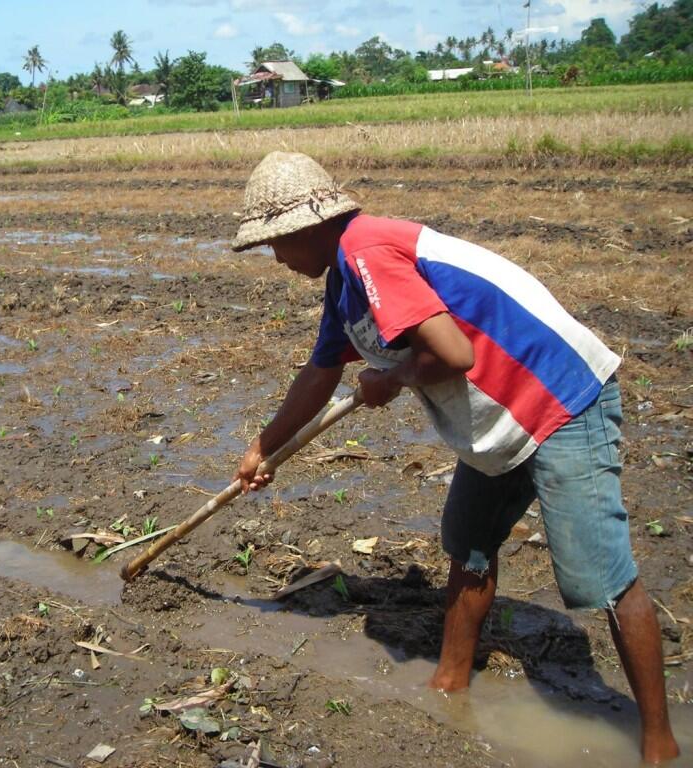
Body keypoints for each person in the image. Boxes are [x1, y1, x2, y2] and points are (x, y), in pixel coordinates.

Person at [230, 151, 679, 764]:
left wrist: (395, 377)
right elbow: (321, 372)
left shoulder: (368, 251)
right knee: (467, 542)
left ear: (306, 229)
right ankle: (451, 683)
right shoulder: (343, 282)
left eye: (276, 245)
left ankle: (658, 743)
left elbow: (454, 352)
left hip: (560, 401)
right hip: (498, 422)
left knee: (595, 576)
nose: (277, 259)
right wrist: (265, 448)